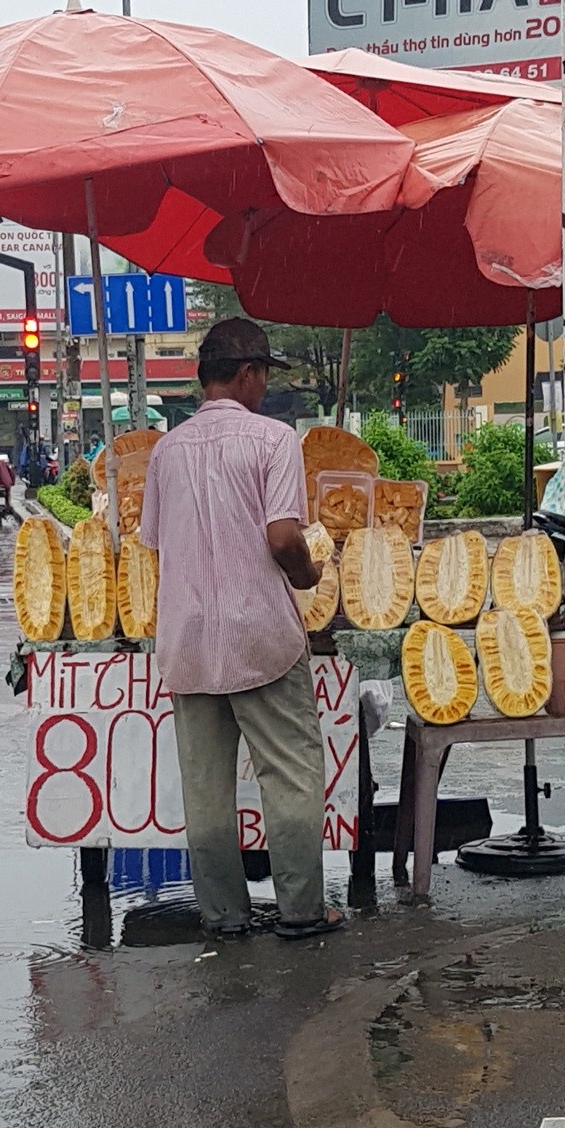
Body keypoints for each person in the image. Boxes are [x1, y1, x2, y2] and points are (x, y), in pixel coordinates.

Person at [138, 317, 343, 942]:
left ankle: (223, 916)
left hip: (188, 639)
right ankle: (301, 909)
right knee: (291, 774)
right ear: (250, 374)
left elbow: (152, 542)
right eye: (262, 376)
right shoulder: (274, 439)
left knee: (205, 787)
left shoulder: (165, 450)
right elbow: (283, 536)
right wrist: (308, 576)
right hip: (260, 634)